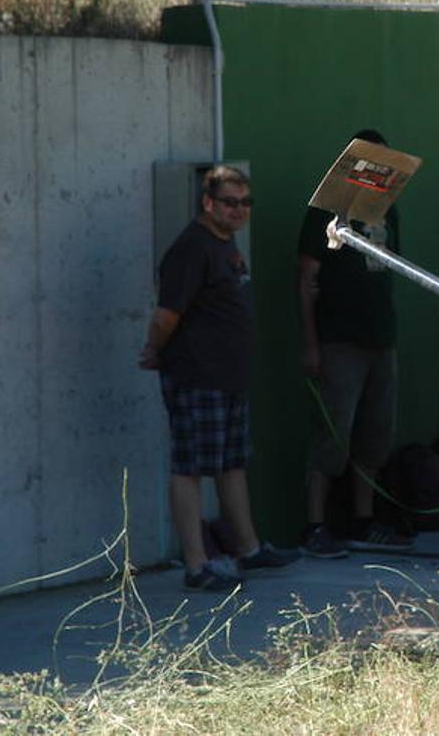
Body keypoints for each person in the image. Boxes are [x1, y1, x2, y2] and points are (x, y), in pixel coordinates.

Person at [139, 166, 297, 591]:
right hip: (196, 375)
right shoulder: (191, 248)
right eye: (230, 202)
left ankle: (248, 548)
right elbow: (166, 314)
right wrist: (155, 350)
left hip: (230, 376)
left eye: (246, 203)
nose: (239, 210)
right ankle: (196, 564)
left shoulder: (227, 245)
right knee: (190, 466)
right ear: (207, 203)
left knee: (231, 463)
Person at [297, 129, 411, 558]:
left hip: (381, 336)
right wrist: (310, 343)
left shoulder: (388, 211)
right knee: (332, 433)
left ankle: (363, 521)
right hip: (338, 338)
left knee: (376, 431)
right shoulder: (325, 209)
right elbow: (305, 277)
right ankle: (314, 524)